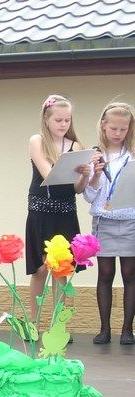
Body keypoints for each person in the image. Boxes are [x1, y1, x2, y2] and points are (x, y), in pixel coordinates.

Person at [25, 94, 96, 331]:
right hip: (41, 209)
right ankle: (33, 323)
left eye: (67, 120)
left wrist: (85, 174)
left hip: (65, 211)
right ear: (46, 120)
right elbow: (48, 174)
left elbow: (77, 189)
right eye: (58, 120)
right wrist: (68, 165)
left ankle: (58, 326)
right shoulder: (37, 141)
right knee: (40, 268)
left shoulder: (76, 146)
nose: (63, 124)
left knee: (61, 268)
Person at [83, 102, 135, 345]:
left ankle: (127, 330)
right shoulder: (94, 155)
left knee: (130, 273)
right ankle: (104, 329)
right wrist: (94, 175)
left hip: (130, 220)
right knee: (105, 273)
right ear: (103, 126)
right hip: (103, 221)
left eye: (123, 129)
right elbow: (88, 196)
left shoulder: (132, 155)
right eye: (114, 128)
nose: (118, 133)